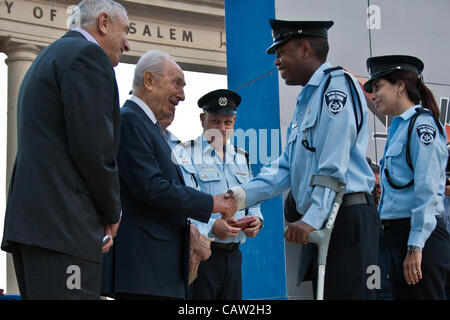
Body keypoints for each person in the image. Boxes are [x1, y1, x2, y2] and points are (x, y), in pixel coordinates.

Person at [229, 19, 379, 300]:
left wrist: (311, 219)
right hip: (328, 218)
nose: (276, 62)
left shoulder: (337, 88)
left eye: (280, 52)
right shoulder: (308, 99)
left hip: (345, 217)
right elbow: (286, 166)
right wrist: (240, 196)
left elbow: (332, 165)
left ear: (305, 49)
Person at [1, 0, 130, 300]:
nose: (127, 43)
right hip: (65, 232)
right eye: (126, 31)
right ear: (103, 23)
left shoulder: (46, 58)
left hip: (36, 230)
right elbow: (95, 150)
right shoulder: (87, 56)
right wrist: (113, 212)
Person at [105, 50, 237, 300]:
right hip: (144, 272)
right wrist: (209, 203)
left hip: (157, 271)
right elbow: (151, 187)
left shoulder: (151, 128)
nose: (183, 95)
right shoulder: (131, 121)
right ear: (149, 81)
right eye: (177, 83)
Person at [365, 55, 450, 300]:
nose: (373, 95)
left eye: (379, 86)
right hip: (398, 236)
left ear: (400, 85)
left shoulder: (422, 125)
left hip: (419, 238)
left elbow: (427, 188)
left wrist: (415, 247)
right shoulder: (399, 127)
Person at [185, 89, 263, 300]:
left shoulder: (242, 158)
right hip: (202, 255)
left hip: (234, 256)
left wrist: (257, 219)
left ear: (234, 122)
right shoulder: (187, 154)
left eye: (227, 123)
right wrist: (211, 226)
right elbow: (184, 204)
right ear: (203, 119)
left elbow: (252, 197)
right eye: (215, 122)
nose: (221, 129)